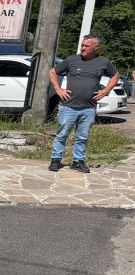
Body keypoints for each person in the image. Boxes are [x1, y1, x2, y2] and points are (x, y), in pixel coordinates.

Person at [48, 34, 119, 173]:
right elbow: (53, 72)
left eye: (87, 46)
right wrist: (58, 89)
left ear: (95, 47)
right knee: (62, 135)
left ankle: (78, 161)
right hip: (69, 106)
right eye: (82, 45)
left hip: (88, 108)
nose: (83, 48)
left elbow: (115, 75)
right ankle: (55, 160)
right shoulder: (72, 60)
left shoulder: (103, 62)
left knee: (82, 137)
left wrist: (105, 91)